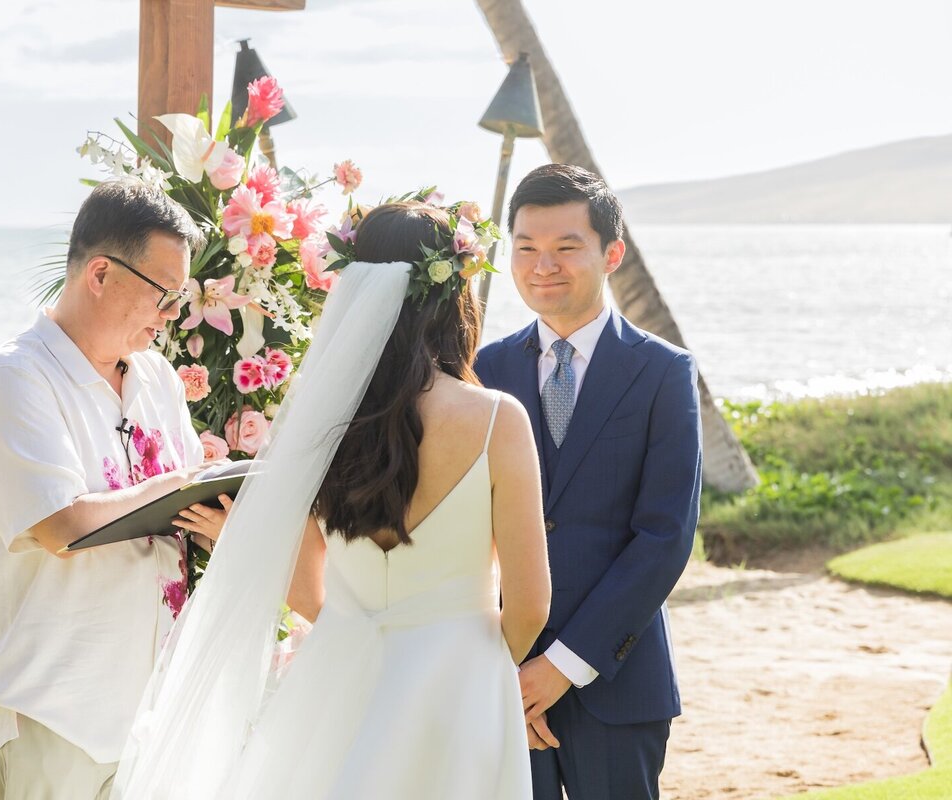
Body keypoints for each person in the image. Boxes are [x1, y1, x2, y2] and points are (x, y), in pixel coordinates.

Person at [112, 201, 551, 799]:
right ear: (451, 297)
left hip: (336, 681)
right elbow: (529, 605)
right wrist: (481, 671)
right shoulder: (498, 420)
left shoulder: (324, 421)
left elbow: (311, 595)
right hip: (460, 683)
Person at [0, 178, 228, 799]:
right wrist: (181, 483)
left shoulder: (156, 378)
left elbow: (184, 507)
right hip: (54, 711)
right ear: (100, 274)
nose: (172, 315)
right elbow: (60, 525)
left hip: (154, 706)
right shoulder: (16, 378)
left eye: (180, 297)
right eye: (164, 295)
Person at [475, 164, 702, 800]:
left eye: (565, 248)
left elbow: (664, 537)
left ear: (612, 253)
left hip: (617, 681)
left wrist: (562, 666)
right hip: (503, 678)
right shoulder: (482, 370)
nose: (542, 265)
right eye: (525, 249)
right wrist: (513, 667)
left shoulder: (663, 372)